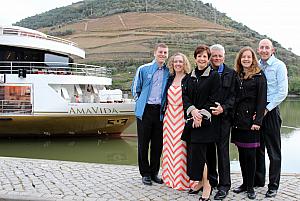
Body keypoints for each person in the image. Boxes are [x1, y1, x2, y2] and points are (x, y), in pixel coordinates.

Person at [182, 45, 220, 201]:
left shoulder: (214, 76)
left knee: (203, 156)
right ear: (195, 58)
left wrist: (201, 115)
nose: (202, 59)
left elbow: (214, 98)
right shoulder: (188, 77)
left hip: (206, 122)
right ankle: (198, 183)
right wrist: (193, 112)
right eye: (199, 56)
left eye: (205, 56)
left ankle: (208, 185)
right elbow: (185, 97)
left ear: (208, 58)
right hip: (192, 120)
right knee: (195, 154)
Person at [131, 43, 170, 186]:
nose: (163, 55)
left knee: (157, 145)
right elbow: (135, 89)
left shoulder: (168, 71)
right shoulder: (143, 69)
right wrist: (141, 103)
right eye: (160, 52)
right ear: (155, 53)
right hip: (145, 111)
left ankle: (154, 173)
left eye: (165, 52)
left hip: (160, 112)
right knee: (143, 144)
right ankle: (145, 173)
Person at [231, 46, 267, 200]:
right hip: (238, 122)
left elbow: (261, 100)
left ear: (253, 59)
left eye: (249, 57)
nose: (246, 59)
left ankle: (251, 187)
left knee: (251, 156)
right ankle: (244, 183)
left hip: (251, 123)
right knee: (241, 154)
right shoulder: (237, 76)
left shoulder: (259, 76)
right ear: (239, 59)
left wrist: (258, 120)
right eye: (243, 57)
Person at [255, 39, 288, 197]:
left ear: (272, 50)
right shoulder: (257, 65)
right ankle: (258, 180)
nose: (264, 50)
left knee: (274, 152)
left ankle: (273, 185)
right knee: (257, 148)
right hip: (257, 110)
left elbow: (282, 92)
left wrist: (266, 109)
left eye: (267, 47)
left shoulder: (279, 66)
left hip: (271, 110)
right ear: (258, 49)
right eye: (262, 47)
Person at [207, 44, 236, 200]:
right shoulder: (206, 72)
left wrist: (223, 108)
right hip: (208, 119)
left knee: (223, 152)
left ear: (224, 56)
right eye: (214, 56)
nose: (217, 58)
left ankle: (224, 186)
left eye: (219, 56)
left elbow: (234, 96)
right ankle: (211, 181)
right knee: (209, 152)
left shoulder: (231, 74)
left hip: (224, 119)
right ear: (210, 56)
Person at [161, 52, 192, 190]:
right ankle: (169, 178)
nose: (178, 64)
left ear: (184, 63)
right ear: (172, 64)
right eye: (175, 62)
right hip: (169, 117)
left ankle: (182, 181)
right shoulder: (170, 78)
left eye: (180, 61)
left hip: (181, 116)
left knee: (181, 148)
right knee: (168, 148)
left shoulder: (189, 79)